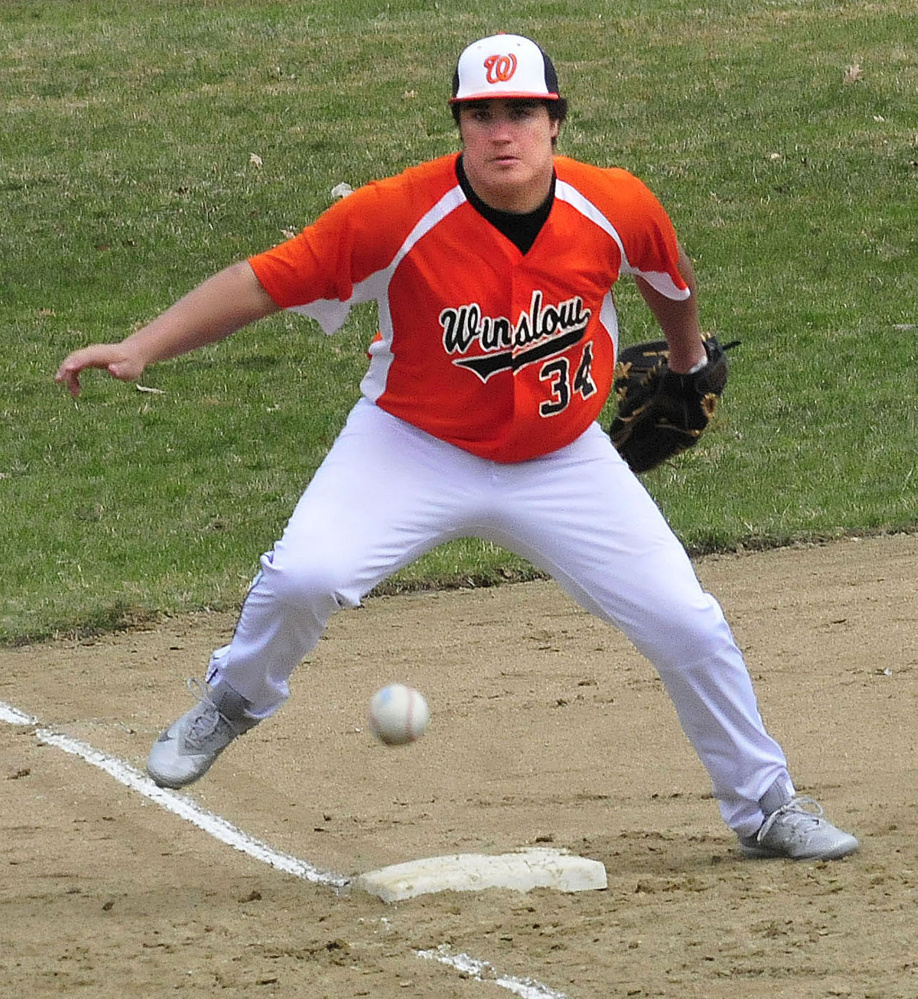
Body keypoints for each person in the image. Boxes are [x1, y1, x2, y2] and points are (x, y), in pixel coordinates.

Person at [56, 33, 858, 861]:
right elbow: (265, 280)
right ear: (459, 125)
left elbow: (669, 277)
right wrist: (143, 345)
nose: (501, 132)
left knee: (689, 625)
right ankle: (233, 697)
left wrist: (687, 359)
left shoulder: (615, 205)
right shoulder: (392, 214)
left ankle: (766, 807)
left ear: (556, 123)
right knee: (306, 575)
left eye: (521, 112)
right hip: (411, 445)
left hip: (562, 458)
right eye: (481, 115)